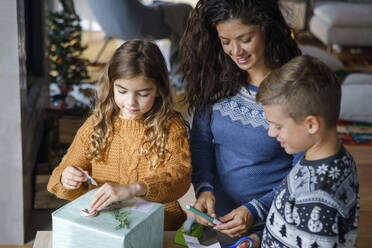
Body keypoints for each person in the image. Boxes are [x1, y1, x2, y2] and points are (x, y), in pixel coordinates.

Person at [179, 0, 301, 245]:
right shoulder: (215, 80)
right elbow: (201, 144)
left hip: (277, 225)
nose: (236, 51)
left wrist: (256, 210)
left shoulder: (294, 88)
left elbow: (303, 171)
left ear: (266, 30)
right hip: (223, 225)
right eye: (226, 42)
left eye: (245, 39)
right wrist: (204, 189)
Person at [47, 39, 192, 231]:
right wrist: (67, 178)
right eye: (122, 91)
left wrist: (133, 189)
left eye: (143, 93)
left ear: (159, 90)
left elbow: (180, 179)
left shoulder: (171, 127)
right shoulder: (96, 126)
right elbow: (56, 179)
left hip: (160, 226)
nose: (131, 102)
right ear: (111, 85)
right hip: (107, 226)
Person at [255, 55, 360, 247]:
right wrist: (260, 239)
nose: (271, 133)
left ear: (311, 124)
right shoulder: (337, 159)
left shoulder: (318, 199)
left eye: (277, 126)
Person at [85, 0, 193, 92]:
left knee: (162, 6)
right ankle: (180, 76)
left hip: (109, 25)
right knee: (185, 12)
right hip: (134, 24)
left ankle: (177, 75)